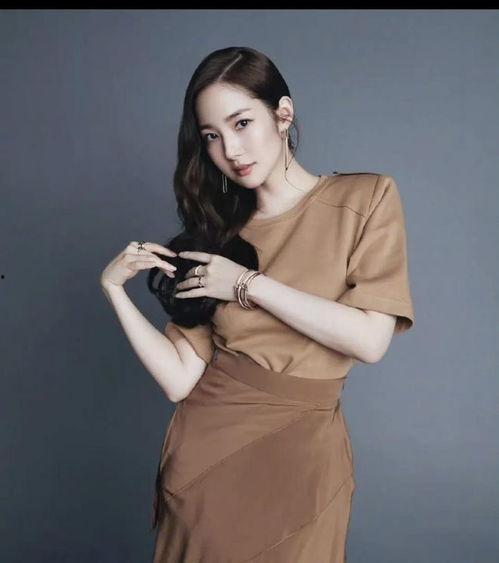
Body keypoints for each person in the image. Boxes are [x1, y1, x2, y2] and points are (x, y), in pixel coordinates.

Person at [100, 46, 415, 562]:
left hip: (308, 458)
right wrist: (114, 291)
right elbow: (180, 380)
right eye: (211, 136)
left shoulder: (366, 199)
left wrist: (247, 285)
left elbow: (370, 340)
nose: (231, 149)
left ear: (283, 114)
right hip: (210, 460)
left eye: (242, 123)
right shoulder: (217, 237)